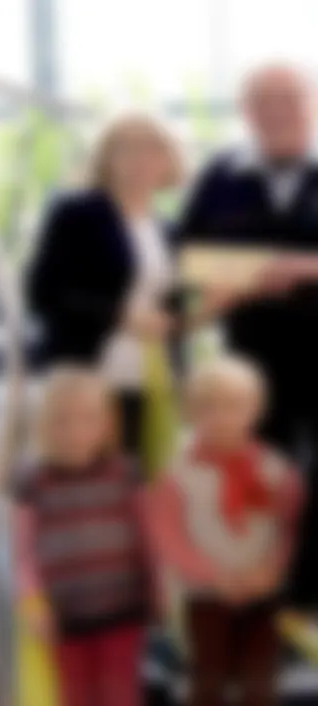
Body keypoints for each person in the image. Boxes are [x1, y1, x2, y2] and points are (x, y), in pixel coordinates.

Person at [174, 63, 318, 609]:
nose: (278, 110)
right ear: (248, 112)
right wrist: (241, 276)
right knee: (262, 475)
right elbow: (186, 256)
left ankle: (307, 595)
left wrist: (298, 270)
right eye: (265, 100)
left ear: (313, 103)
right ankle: (270, 594)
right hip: (252, 359)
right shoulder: (221, 178)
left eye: (290, 97)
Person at [148, 357, 304, 706]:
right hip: (206, 595)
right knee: (209, 676)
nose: (222, 415)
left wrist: (270, 571)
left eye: (235, 405)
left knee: (259, 677)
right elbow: (168, 535)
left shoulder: (278, 470)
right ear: (191, 413)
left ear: (256, 410)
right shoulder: (177, 474)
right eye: (208, 405)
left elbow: (290, 529)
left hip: (262, 593)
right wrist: (213, 576)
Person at [12, 367, 157, 706]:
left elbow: (147, 537)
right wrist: (31, 602)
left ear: (106, 425)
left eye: (87, 419)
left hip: (120, 606)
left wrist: (158, 592)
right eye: (63, 420)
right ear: (44, 428)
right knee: (73, 700)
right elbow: (21, 551)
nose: (76, 430)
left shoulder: (126, 474)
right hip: (62, 612)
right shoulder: (33, 483)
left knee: (117, 697)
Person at [25, 114, 183, 454]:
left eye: (152, 148)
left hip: (151, 378)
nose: (141, 158)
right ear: (107, 158)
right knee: (86, 487)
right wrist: (119, 315)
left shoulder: (167, 230)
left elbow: (173, 301)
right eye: (127, 148)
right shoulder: (76, 213)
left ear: (168, 160)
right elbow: (43, 291)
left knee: (142, 485)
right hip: (85, 378)